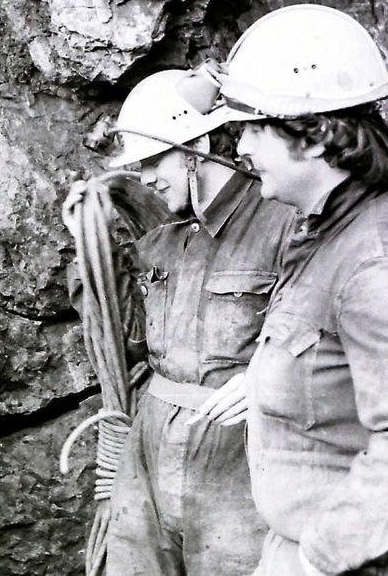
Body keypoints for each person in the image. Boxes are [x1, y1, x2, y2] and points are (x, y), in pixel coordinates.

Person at [200, 4, 388, 575]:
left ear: (316, 136)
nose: (241, 148)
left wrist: (313, 560)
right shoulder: (339, 230)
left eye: (253, 127)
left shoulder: (380, 262)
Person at [86, 69, 296, 574]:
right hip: (151, 441)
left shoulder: (282, 220)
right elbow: (127, 339)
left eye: (156, 160)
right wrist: (92, 242)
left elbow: (322, 336)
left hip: (235, 448)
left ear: (198, 145)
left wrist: (270, 378)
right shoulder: (162, 234)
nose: (147, 178)